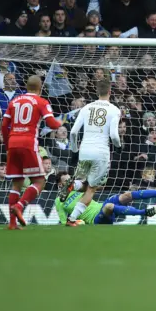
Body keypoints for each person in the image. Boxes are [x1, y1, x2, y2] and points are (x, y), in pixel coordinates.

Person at [1, 76, 62, 230]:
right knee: (40, 181)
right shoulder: (42, 102)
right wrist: (62, 121)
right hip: (28, 143)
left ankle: (12, 224)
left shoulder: (14, 101)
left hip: (13, 143)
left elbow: (4, 125)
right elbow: (53, 124)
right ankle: (20, 206)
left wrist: (7, 145)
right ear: (40, 87)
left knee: (16, 184)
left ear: (26, 86)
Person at [59, 79, 122, 227]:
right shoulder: (114, 110)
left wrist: (74, 151)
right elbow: (113, 135)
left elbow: (73, 132)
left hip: (84, 151)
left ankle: (72, 185)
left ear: (97, 92)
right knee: (92, 189)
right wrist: (119, 147)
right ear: (110, 92)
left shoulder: (86, 108)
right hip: (101, 152)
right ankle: (72, 219)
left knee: (83, 182)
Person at [54, 172, 156, 225]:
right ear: (60, 185)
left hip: (101, 205)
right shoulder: (58, 202)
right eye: (67, 182)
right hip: (96, 219)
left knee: (127, 195)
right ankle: (145, 213)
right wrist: (78, 222)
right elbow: (64, 221)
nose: (70, 183)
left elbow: (94, 188)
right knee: (109, 207)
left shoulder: (77, 188)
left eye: (70, 181)